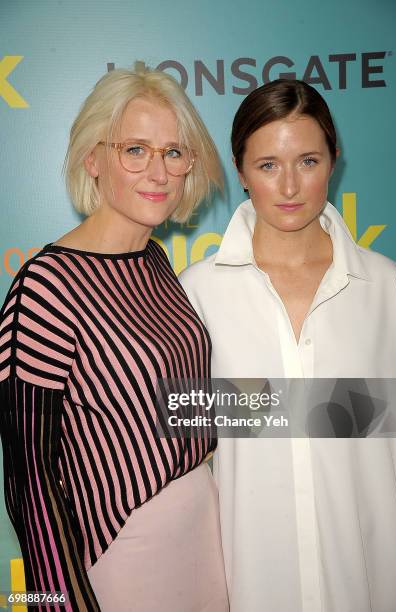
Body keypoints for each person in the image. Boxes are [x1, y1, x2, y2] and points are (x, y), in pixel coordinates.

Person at [0, 64, 229, 611]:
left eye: (175, 152)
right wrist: (58, 604)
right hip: (121, 556)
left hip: (206, 533)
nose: (159, 172)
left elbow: (175, 410)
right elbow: (28, 482)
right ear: (93, 159)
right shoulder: (45, 287)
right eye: (136, 150)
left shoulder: (153, 262)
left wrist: (348, 410)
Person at [179, 79, 396, 612]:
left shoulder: (387, 287)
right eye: (267, 165)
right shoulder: (196, 293)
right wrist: (332, 406)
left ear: (334, 161)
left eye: (307, 161)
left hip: (374, 582)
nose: (288, 187)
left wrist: (259, 404)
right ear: (239, 171)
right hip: (251, 582)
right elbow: (183, 446)